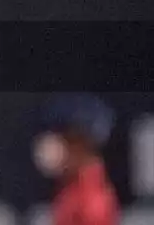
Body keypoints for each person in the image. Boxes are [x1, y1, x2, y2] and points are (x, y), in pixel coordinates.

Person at [33, 94, 120, 225]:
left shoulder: (92, 201)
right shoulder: (70, 188)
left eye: (63, 137)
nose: (52, 144)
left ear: (79, 143)